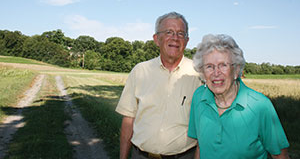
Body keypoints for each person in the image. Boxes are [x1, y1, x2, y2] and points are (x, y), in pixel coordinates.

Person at [188, 34, 290, 159]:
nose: (216, 73)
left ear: (236, 70)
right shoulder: (199, 97)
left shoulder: (260, 105)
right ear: (202, 72)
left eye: (223, 65)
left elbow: (280, 155)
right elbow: (200, 146)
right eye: (209, 66)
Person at [116, 12, 202, 159]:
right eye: (169, 32)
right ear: (156, 39)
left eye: (181, 34)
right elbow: (128, 120)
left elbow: (204, 126)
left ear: (187, 41)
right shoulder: (140, 71)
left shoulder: (199, 74)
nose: (175, 38)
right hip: (141, 155)